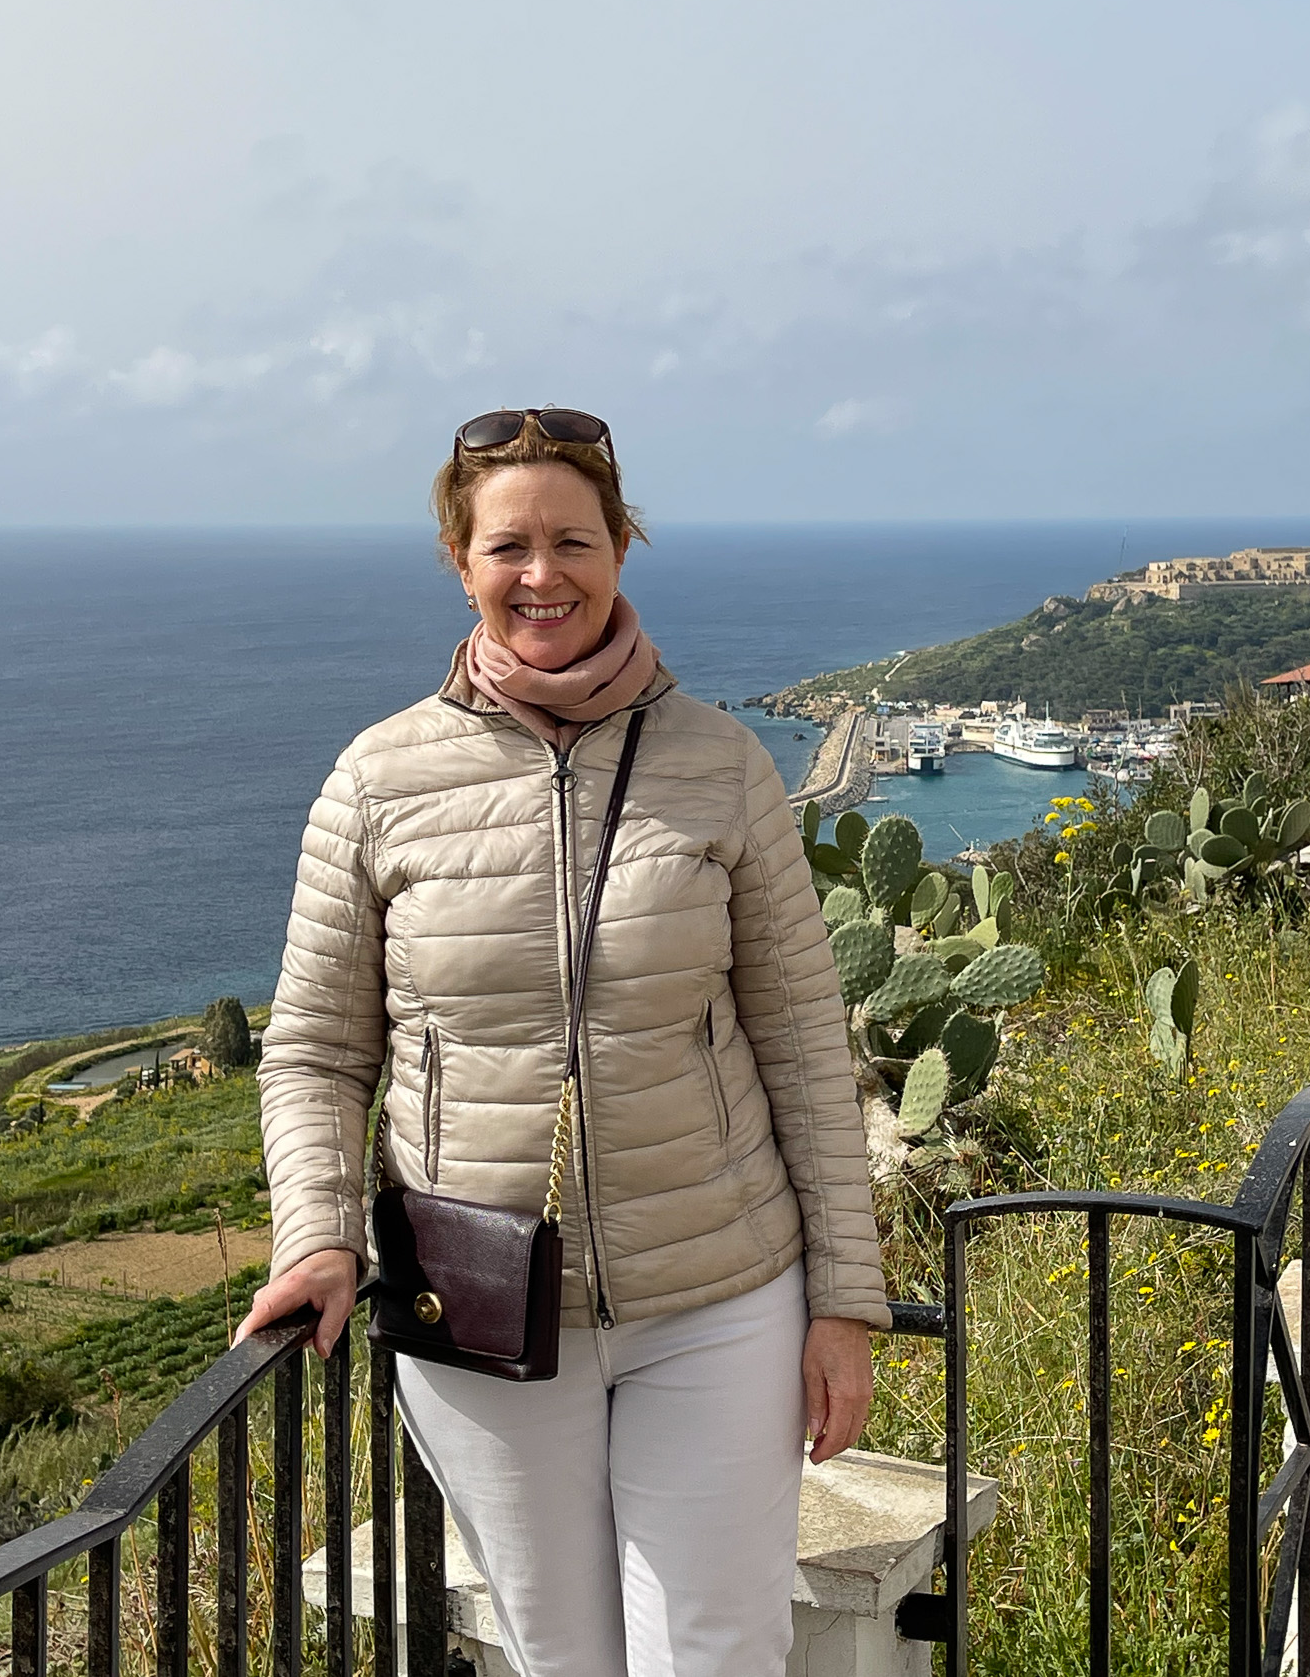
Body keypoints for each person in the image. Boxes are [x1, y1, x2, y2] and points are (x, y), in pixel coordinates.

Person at [238, 408, 891, 1677]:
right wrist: (315, 1235)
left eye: (573, 540)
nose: (544, 575)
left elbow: (808, 1040)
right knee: (558, 1656)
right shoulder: (378, 779)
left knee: (714, 1650)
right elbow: (317, 1049)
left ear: (622, 546)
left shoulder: (721, 763)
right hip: (479, 1301)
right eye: (509, 546)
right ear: (459, 558)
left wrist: (845, 1301)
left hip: (720, 1289)